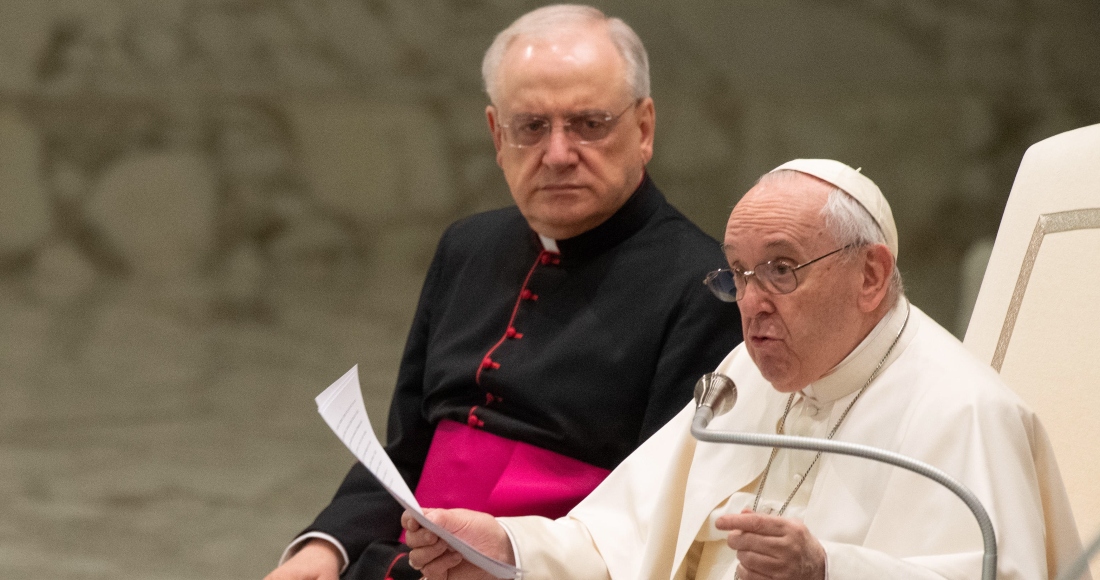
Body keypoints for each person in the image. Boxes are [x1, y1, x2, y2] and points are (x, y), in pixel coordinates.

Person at [402, 159, 1086, 579]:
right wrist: (508, 546)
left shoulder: (964, 411)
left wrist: (828, 570)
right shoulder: (748, 376)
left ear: (871, 276)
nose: (752, 302)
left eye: (781, 269)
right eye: (737, 274)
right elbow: (618, 540)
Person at [266, 5, 743, 580]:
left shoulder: (706, 287)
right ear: (497, 135)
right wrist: (324, 547)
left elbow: (662, 516)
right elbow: (408, 448)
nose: (559, 154)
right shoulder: (466, 246)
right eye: (531, 127)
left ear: (643, 129)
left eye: (589, 124)